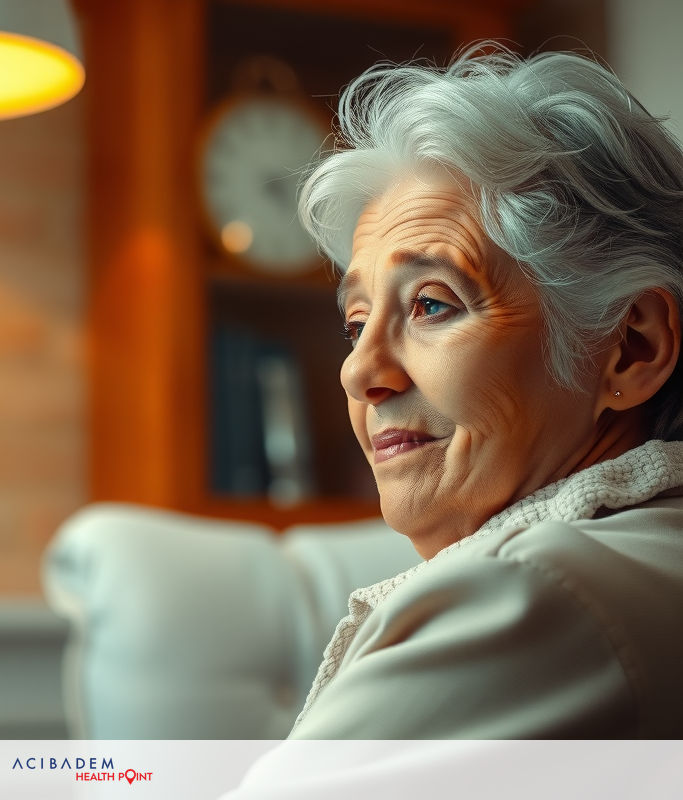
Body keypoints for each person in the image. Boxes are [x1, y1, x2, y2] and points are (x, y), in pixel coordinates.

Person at [264, 45, 683, 739]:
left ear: (631, 347)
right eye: (356, 323)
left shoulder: (523, 597)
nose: (358, 372)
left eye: (432, 304)